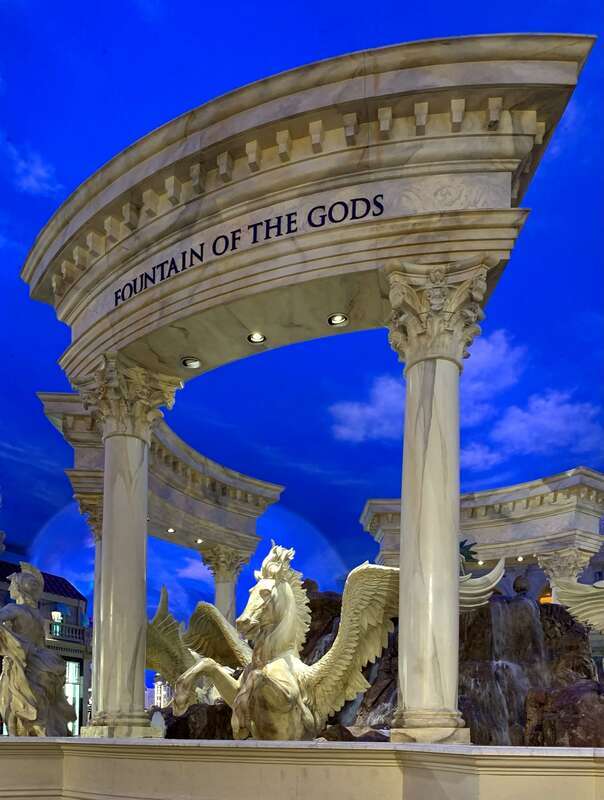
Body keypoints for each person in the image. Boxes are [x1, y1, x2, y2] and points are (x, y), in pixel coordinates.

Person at [0, 563, 75, 735]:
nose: (10, 587)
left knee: (11, 703)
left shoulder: (14, 609)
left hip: (20, 663)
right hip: (39, 661)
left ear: (19, 588)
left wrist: (11, 642)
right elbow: (41, 642)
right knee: (34, 705)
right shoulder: (39, 616)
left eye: (12, 584)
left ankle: (15, 743)